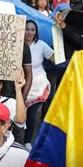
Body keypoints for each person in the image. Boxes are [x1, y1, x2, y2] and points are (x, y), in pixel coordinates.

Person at [23, 20, 54, 149]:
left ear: (36, 32)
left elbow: (56, 58)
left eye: (32, 29)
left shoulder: (41, 45)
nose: (29, 32)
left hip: (37, 86)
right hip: (20, 85)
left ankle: (27, 141)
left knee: (31, 115)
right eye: (27, 29)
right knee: (18, 115)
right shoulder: (17, 44)